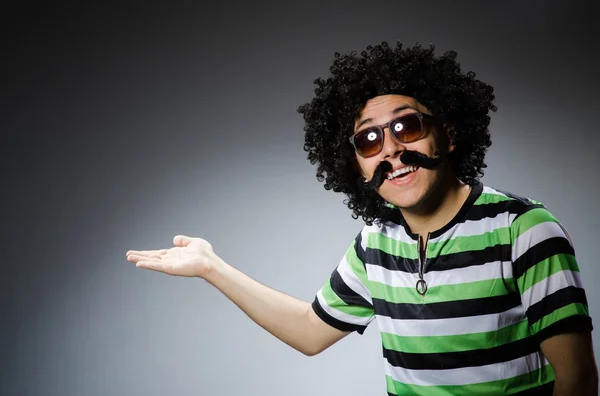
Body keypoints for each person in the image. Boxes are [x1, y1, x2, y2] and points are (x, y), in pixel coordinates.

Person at [125, 42, 598, 395]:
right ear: (357, 166)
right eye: (369, 141)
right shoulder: (376, 243)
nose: (391, 149)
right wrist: (212, 267)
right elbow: (311, 332)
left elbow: (577, 378)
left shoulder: (523, 228)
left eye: (406, 126)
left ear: (447, 135)